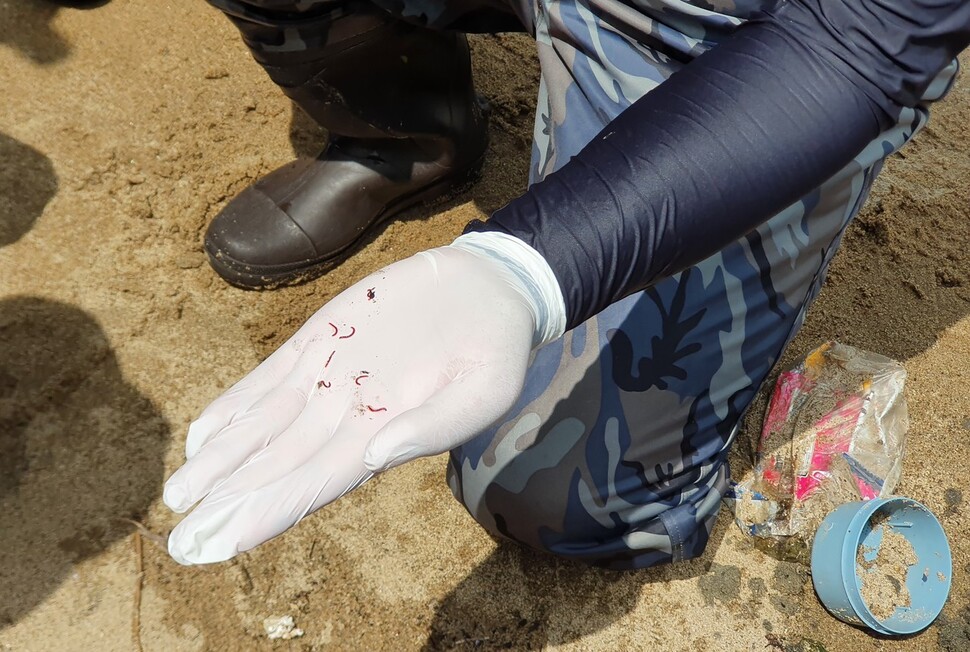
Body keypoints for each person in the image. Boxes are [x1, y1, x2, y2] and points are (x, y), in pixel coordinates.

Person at [164, 0, 969, 568]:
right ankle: (400, 129)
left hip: (746, 39)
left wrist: (526, 269)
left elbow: (856, 41)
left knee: (543, 492)